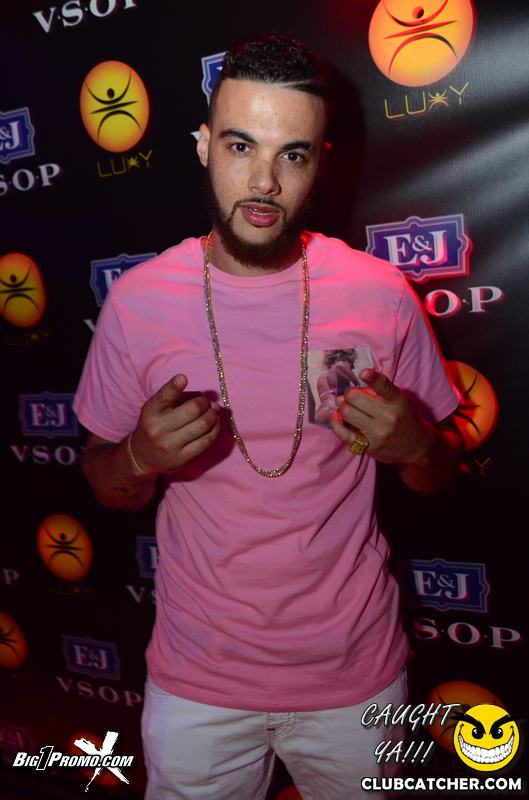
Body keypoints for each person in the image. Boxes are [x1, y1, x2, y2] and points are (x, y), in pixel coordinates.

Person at [74, 33, 463, 800]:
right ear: (202, 146)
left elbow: (440, 471)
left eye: (292, 155)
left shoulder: (380, 294)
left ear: (319, 164)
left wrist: (418, 443)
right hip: (198, 682)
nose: (263, 181)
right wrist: (139, 459)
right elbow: (102, 480)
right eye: (239, 145)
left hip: (356, 680)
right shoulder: (138, 302)